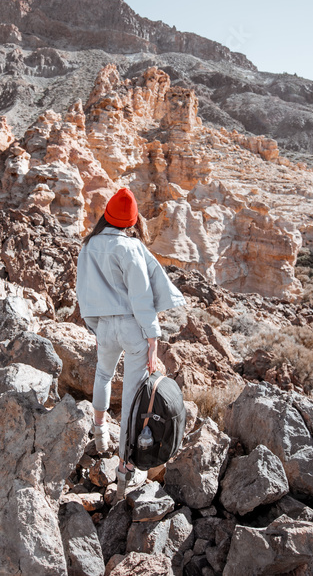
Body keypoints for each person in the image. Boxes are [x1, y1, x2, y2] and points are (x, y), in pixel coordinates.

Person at [75, 187, 186, 495]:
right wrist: (153, 338)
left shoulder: (89, 245)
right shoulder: (132, 248)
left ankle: (99, 433)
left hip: (104, 325)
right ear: (133, 220)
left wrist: (95, 327)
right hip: (131, 326)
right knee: (134, 398)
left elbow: (83, 292)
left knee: (103, 375)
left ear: (107, 216)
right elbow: (140, 298)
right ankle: (126, 468)